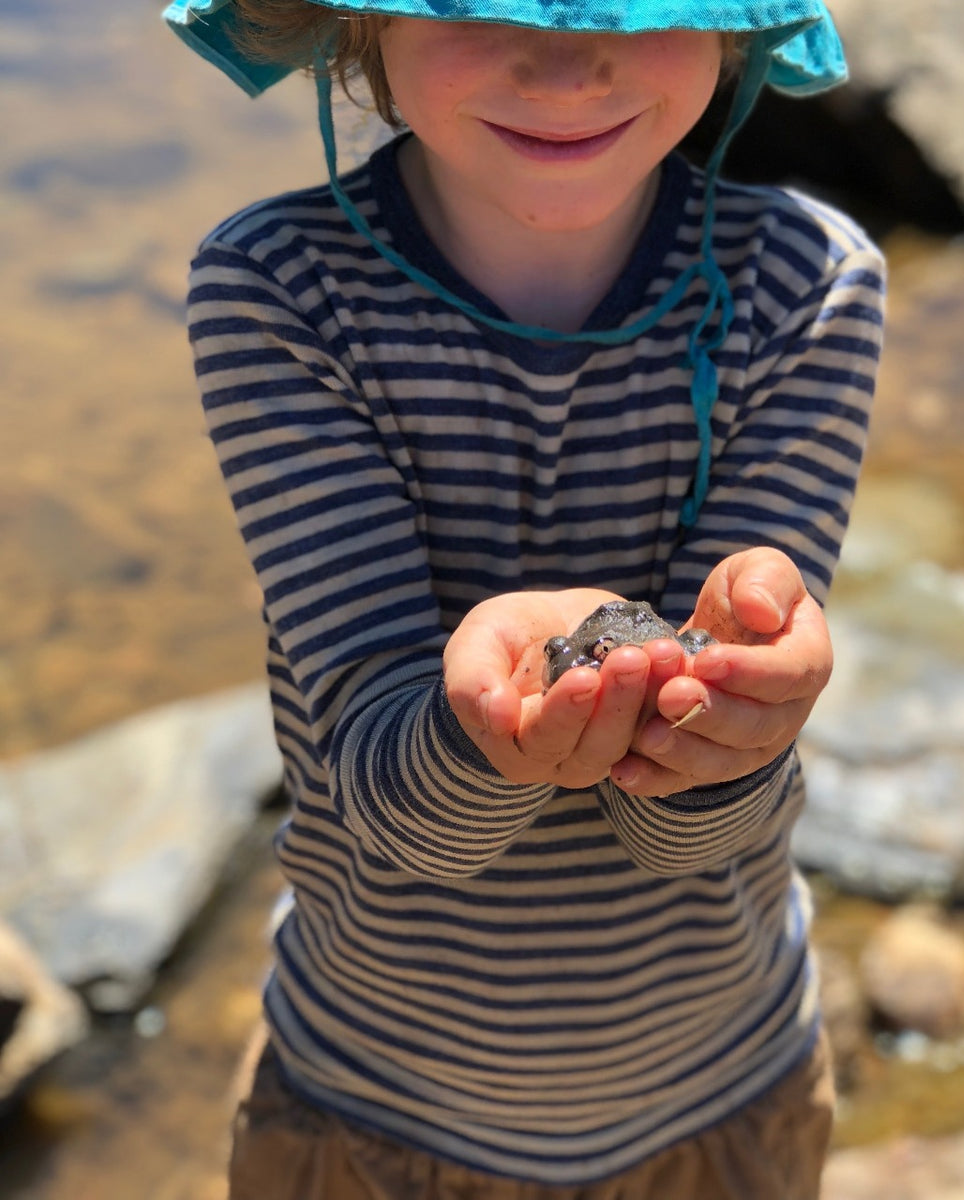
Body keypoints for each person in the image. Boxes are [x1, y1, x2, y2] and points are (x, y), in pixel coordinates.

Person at [163, 0, 885, 1195]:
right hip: (375, 1102)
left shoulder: (804, 288)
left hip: (717, 1092)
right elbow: (398, 817)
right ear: (354, 20)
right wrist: (483, 737)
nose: (562, 69)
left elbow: (686, 835)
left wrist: (737, 725)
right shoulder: (278, 290)